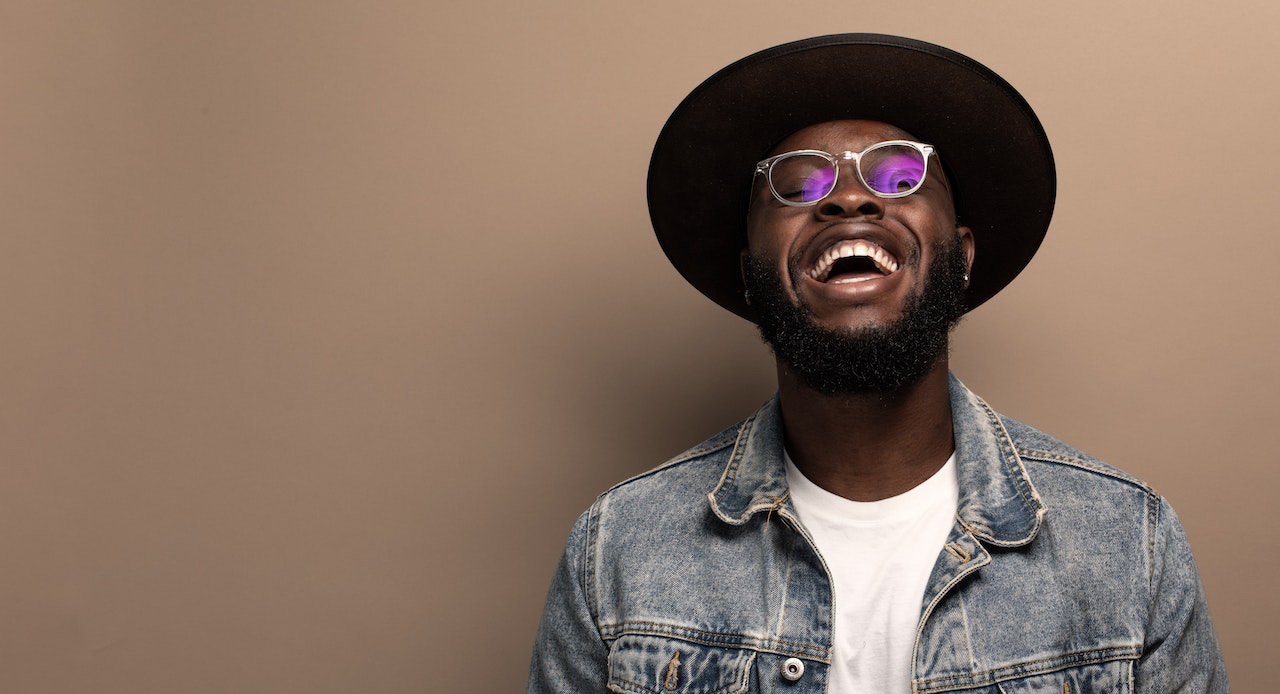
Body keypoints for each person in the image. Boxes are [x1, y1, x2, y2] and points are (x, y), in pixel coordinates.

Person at [528, 34, 1227, 694]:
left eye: (900, 175)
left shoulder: (1128, 542)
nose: (850, 197)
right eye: (798, 186)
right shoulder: (617, 549)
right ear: (750, 277)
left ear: (961, 259)